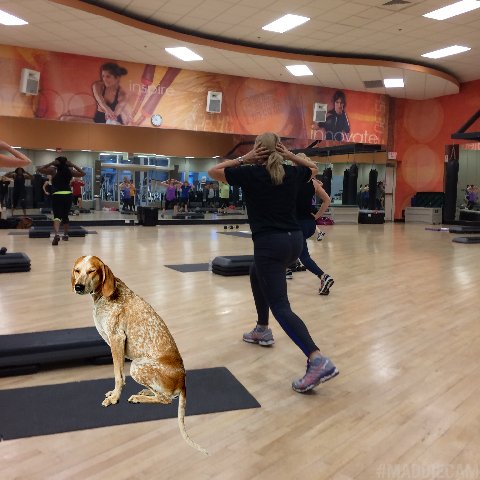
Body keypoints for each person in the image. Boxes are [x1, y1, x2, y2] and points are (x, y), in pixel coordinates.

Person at [208, 132, 339, 393]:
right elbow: (313, 169)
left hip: (271, 245)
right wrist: (289, 155)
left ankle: (317, 359)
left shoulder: (250, 173)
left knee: (280, 305)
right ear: (278, 151)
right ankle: (262, 328)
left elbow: (213, 171)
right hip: (294, 242)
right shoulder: (291, 173)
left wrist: (244, 158)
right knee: (255, 270)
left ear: (257, 151)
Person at [292, 156, 334, 295]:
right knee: (290, 247)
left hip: (297, 225)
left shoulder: (291, 180)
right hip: (310, 224)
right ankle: (288, 268)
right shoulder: (314, 183)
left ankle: (323, 276)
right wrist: (317, 216)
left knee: (304, 256)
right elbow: (327, 200)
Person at [37, 156, 86, 245]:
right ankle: (66, 235)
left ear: (57, 162)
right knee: (65, 216)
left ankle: (56, 235)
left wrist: (51, 163)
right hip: (68, 194)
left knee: (57, 216)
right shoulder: (69, 171)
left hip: (57, 194)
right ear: (66, 163)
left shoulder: (53, 170)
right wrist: (73, 165)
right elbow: (83, 173)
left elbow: (39, 169)